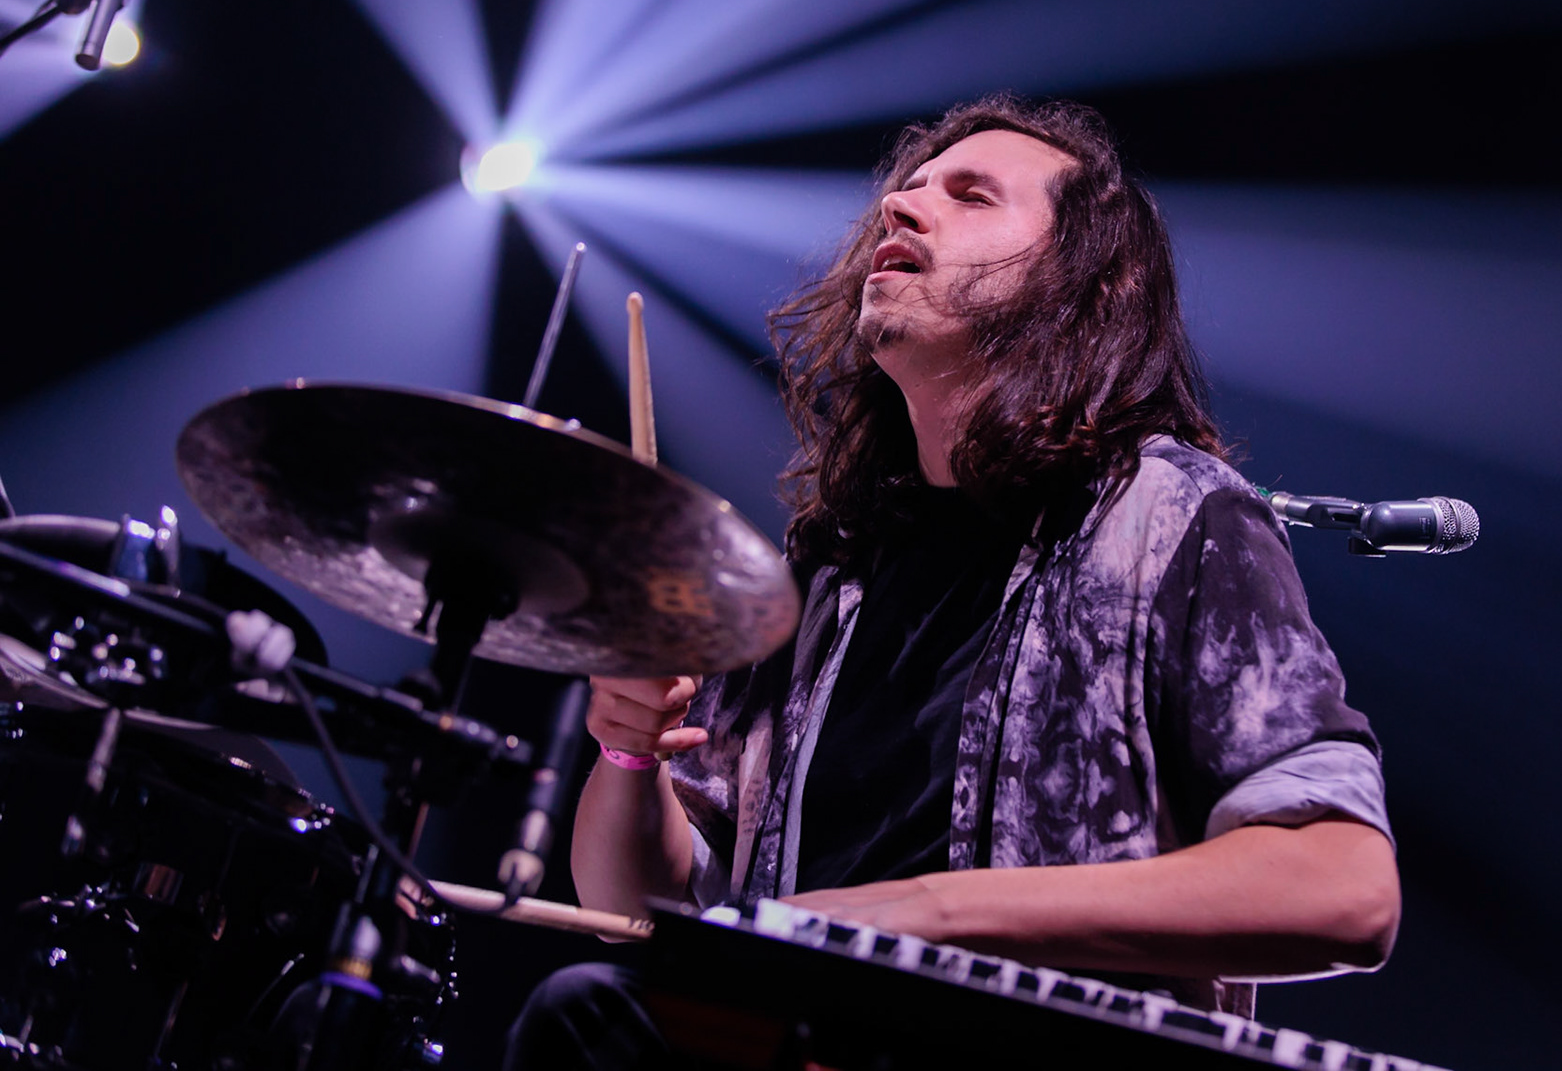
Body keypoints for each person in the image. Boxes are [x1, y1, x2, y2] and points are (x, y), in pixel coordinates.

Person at [506, 95, 1398, 1067]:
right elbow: (635, 913)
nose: (902, 207)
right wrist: (632, 752)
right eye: (904, 190)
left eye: (971, 195)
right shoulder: (826, 577)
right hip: (817, 1037)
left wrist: (922, 914)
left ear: (1094, 282)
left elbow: (1345, 888)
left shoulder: (1173, 513)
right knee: (594, 1013)